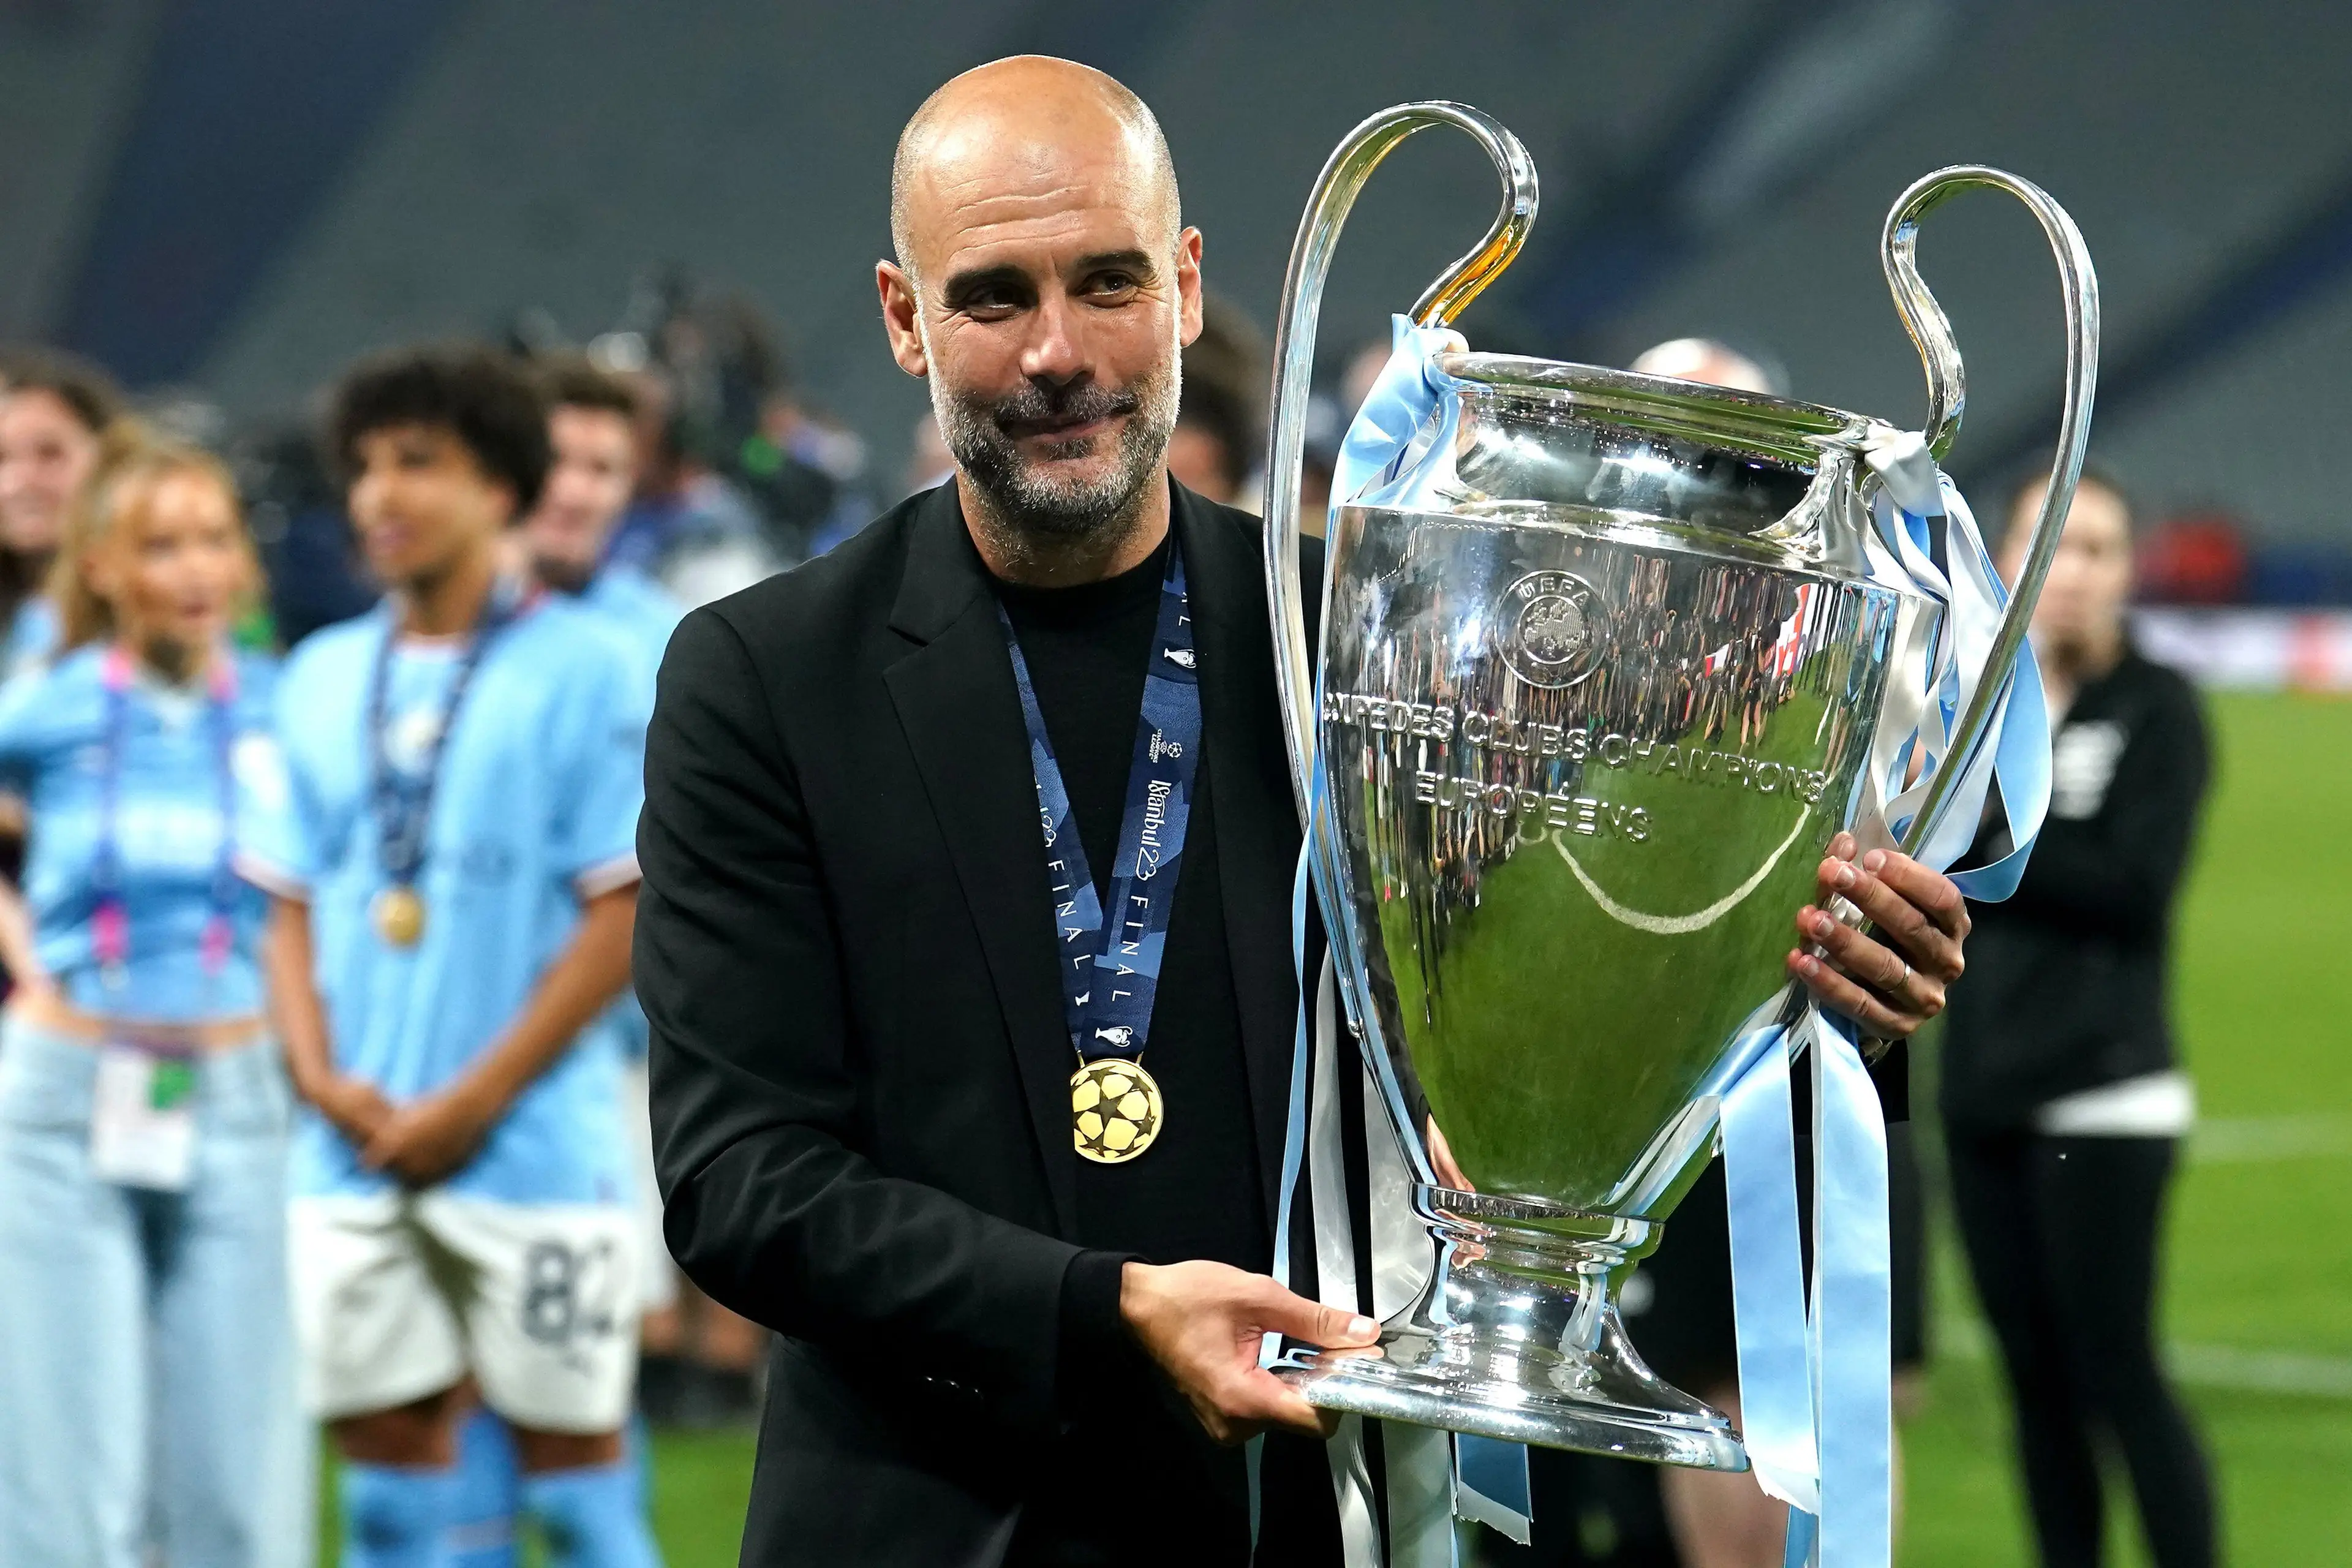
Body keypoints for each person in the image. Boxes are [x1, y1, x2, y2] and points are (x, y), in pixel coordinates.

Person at [638, 56, 1972, 1567]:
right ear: (903, 318)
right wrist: (1111, 1307)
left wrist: (1819, 987)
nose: (1058, 351)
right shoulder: (761, 677)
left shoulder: (1371, 639)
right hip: (922, 1519)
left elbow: (1563, 1032)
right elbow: (740, 1176)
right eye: (994, 295)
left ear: (1188, 287)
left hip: (1304, 1515)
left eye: (1109, 281)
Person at [239, 345, 660, 1568]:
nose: (380, 494)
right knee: (385, 1501)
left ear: (501, 486)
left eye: (419, 461)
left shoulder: (591, 667)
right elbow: (286, 909)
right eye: (365, 467)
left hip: (528, 1143)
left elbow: (620, 912)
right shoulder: (319, 677)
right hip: (351, 1147)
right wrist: (322, 1086)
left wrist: (471, 1099)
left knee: (582, 1501)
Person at [0, 434, 306, 1566]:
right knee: (68, 1494)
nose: (193, 569)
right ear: (100, 570)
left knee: (239, 1490)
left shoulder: (292, 708)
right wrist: (25, 955)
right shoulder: (48, 706)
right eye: (159, 545)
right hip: (62, 1102)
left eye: (214, 540)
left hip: (238, 1091)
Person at [1940, 466, 2216, 1568]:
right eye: (2049, 542)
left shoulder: (2154, 706)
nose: (2068, 571)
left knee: (2115, 1371)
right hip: (1982, 1090)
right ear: (2009, 560)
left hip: (2108, 1092)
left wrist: (1986, 843)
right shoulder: (1970, 712)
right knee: (2033, 1391)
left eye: (2097, 549)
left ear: (2126, 572)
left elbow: (2137, 886)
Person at [0, 349, 124, 678]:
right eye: (1, 458)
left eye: (50, 454)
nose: (19, 483)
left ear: (111, 459)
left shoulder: (167, 608)